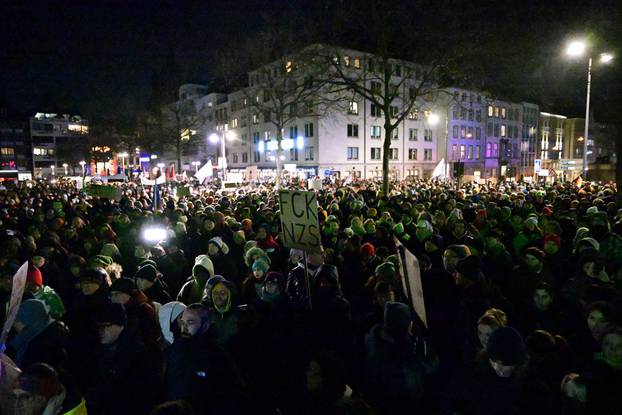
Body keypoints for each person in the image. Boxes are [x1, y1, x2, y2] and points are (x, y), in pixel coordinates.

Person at [80, 302, 163, 415]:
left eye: (105, 325)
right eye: (98, 326)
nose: (100, 330)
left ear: (120, 325)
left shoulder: (140, 355)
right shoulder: (99, 352)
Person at [164, 304, 246, 413]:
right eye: (182, 322)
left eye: (190, 322)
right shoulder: (172, 352)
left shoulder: (217, 355)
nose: (184, 328)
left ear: (205, 325)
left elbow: (231, 391)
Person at [363, 302, 438, 413]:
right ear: (403, 327)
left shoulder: (377, 338)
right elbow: (414, 388)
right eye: (409, 323)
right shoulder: (396, 354)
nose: (411, 325)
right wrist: (422, 350)